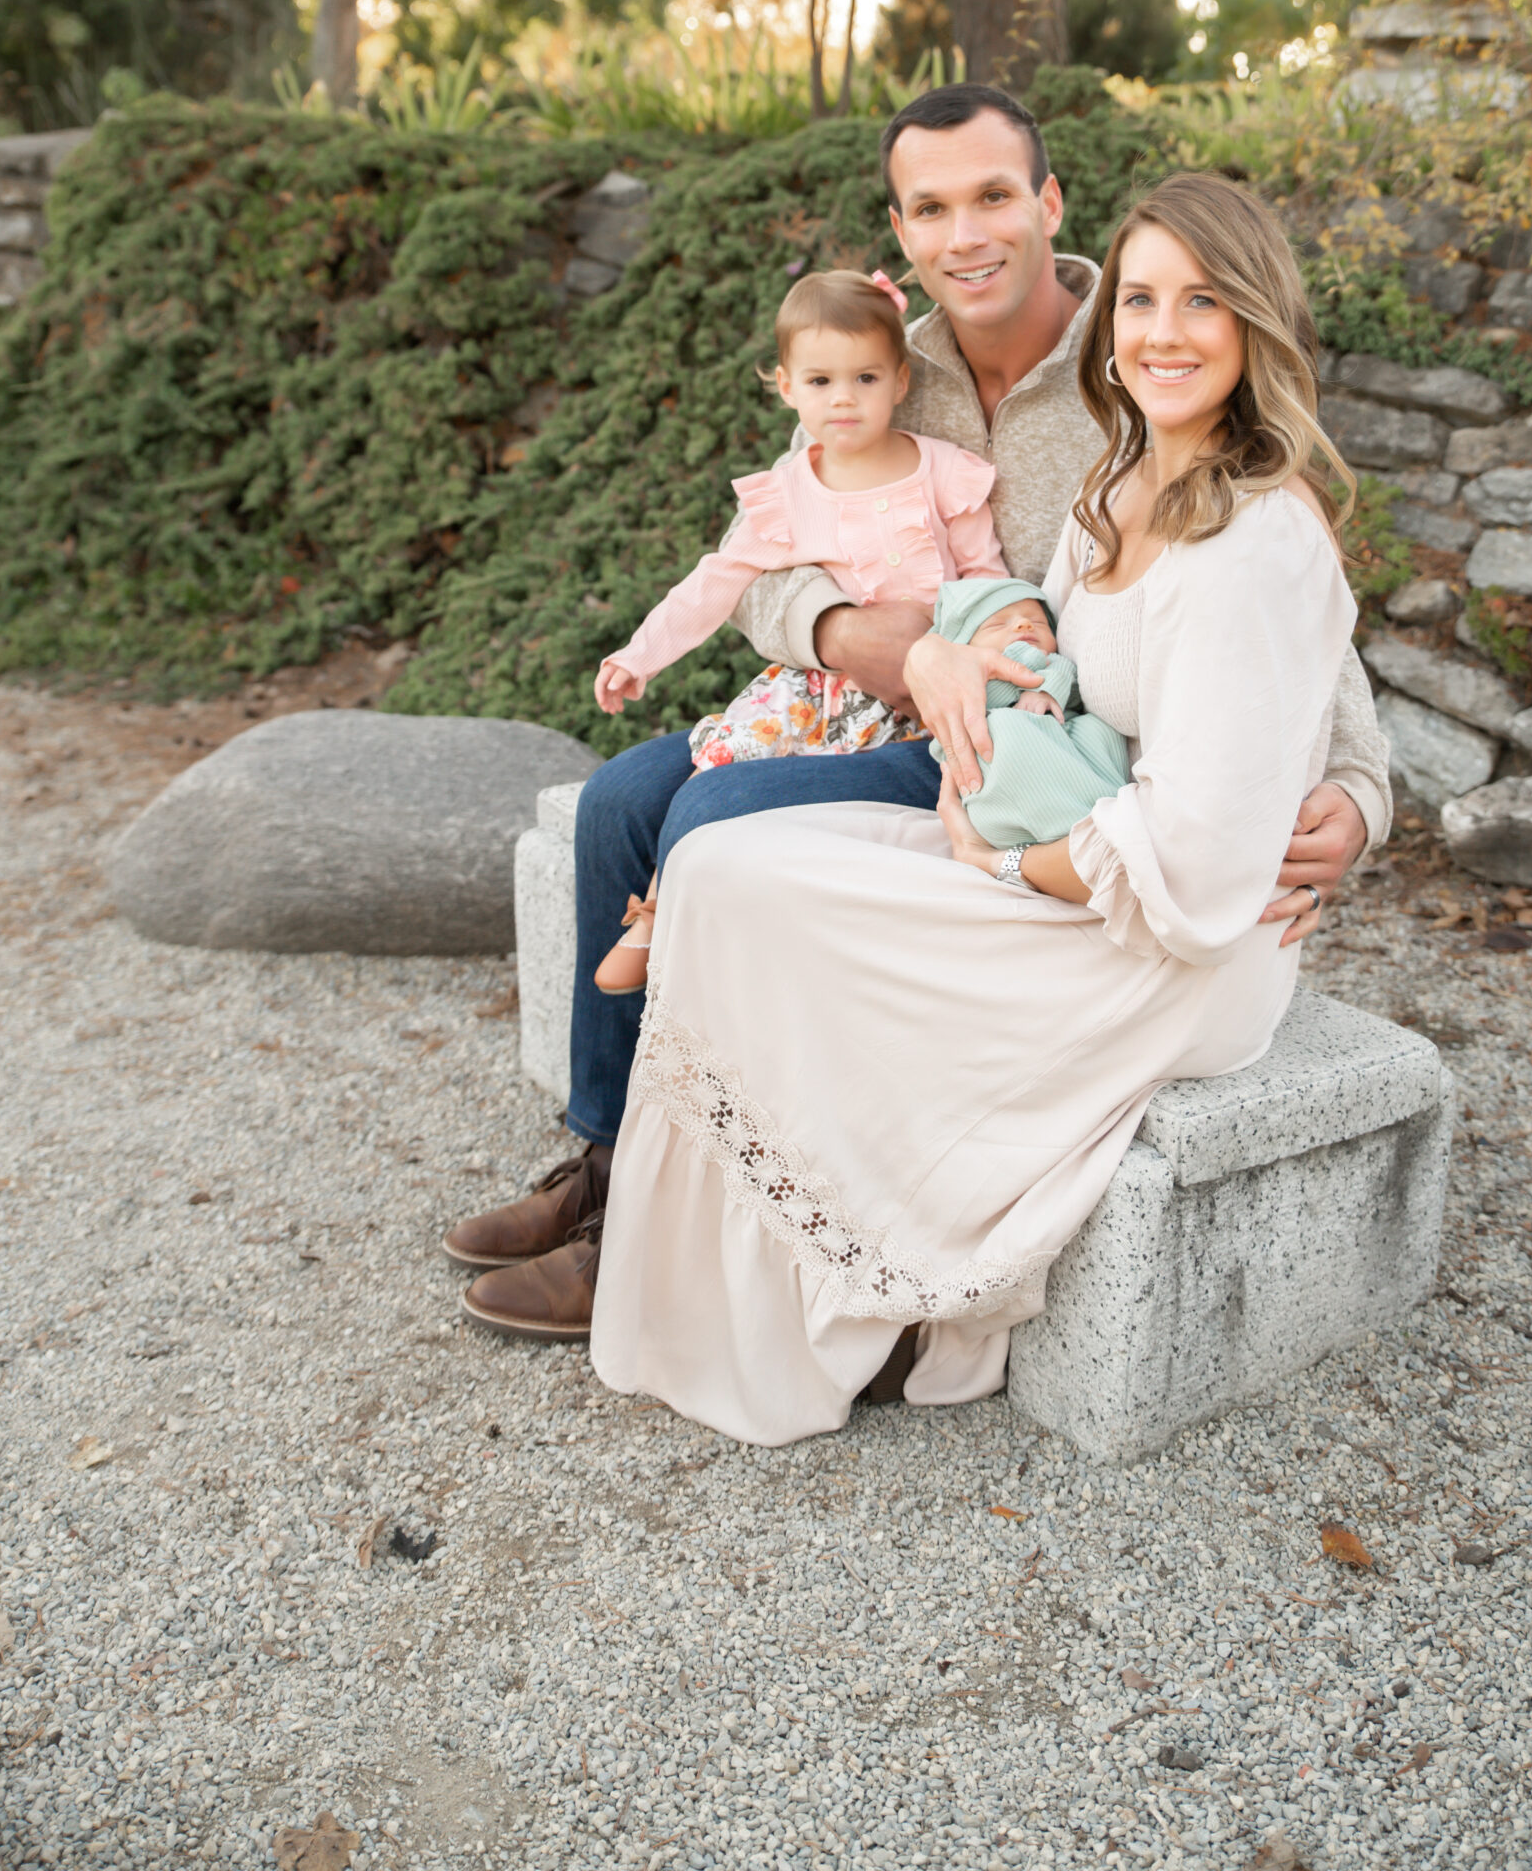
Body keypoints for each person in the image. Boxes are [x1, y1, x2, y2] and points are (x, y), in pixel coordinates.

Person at [443, 86, 1389, 1328]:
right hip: (852, 708)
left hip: (1016, 747)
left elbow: (1291, 607)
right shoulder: (881, 353)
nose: (966, 235)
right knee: (618, 799)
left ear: (1048, 205)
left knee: (713, 819)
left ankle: (664, 1215)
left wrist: (1361, 791)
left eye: (993, 196)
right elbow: (764, 559)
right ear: (900, 228)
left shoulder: (1137, 350)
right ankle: (613, 1159)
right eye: (930, 209)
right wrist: (863, 638)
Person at [587, 267, 1003, 996]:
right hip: (818, 685)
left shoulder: (944, 472)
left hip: (924, 694)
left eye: (864, 378)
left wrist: (992, 660)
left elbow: (986, 577)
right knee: (725, 761)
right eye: (819, 382)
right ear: (785, 387)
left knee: (756, 805)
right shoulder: (787, 494)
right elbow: (715, 583)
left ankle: (691, 936)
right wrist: (639, 654)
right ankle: (652, 916)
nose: (842, 398)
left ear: (900, 382)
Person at [923, 576, 1133, 847]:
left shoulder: (1048, 662)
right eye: (998, 623)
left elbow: (1065, 673)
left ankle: (1104, 801)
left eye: (1039, 622)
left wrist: (1044, 690)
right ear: (964, 646)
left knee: (1098, 728)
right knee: (1001, 731)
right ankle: (1062, 825)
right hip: (1004, 762)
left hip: (1066, 740)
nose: (1024, 624)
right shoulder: (966, 677)